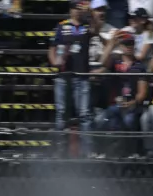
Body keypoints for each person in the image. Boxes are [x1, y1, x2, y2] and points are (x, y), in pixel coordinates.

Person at [50, 0, 94, 157]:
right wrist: (54, 61)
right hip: (63, 76)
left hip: (82, 76)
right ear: (70, 10)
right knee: (61, 113)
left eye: (79, 8)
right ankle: (58, 150)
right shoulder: (62, 26)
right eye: (75, 8)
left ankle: (88, 152)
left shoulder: (87, 26)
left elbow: (96, 28)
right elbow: (52, 48)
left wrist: (90, 14)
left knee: (84, 115)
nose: (77, 11)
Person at [95, 29, 147, 150]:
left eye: (131, 44)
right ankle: (100, 151)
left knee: (129, 120)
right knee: (99, 120)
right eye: (126, 44)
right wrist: (112, 43)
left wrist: (132, 103)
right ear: (121, 46)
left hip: (132, 106)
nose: (129, 46)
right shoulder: (115, 61)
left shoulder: (139, 66)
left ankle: (132, 152)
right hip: (115, 105)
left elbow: (142, 93)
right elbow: (102, 62)